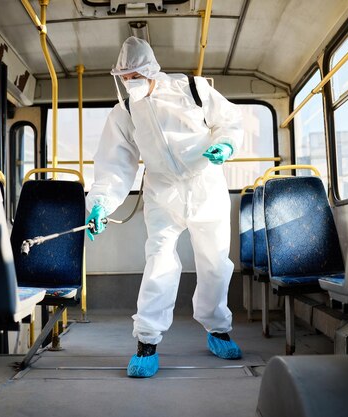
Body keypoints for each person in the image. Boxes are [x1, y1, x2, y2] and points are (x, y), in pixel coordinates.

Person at [85, 36, 244, 378]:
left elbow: (229, 121)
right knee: (159, 263)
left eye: (136, 75)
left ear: (150, 70)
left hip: (206, 184)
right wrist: (99, 204)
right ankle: (147, 343)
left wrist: (226, 145)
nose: (131, 83)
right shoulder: (125, 112)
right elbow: (115, 166)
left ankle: (218, 329)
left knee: (215, 261)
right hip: (162, 192)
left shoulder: (192, 88)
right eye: (125, 77)